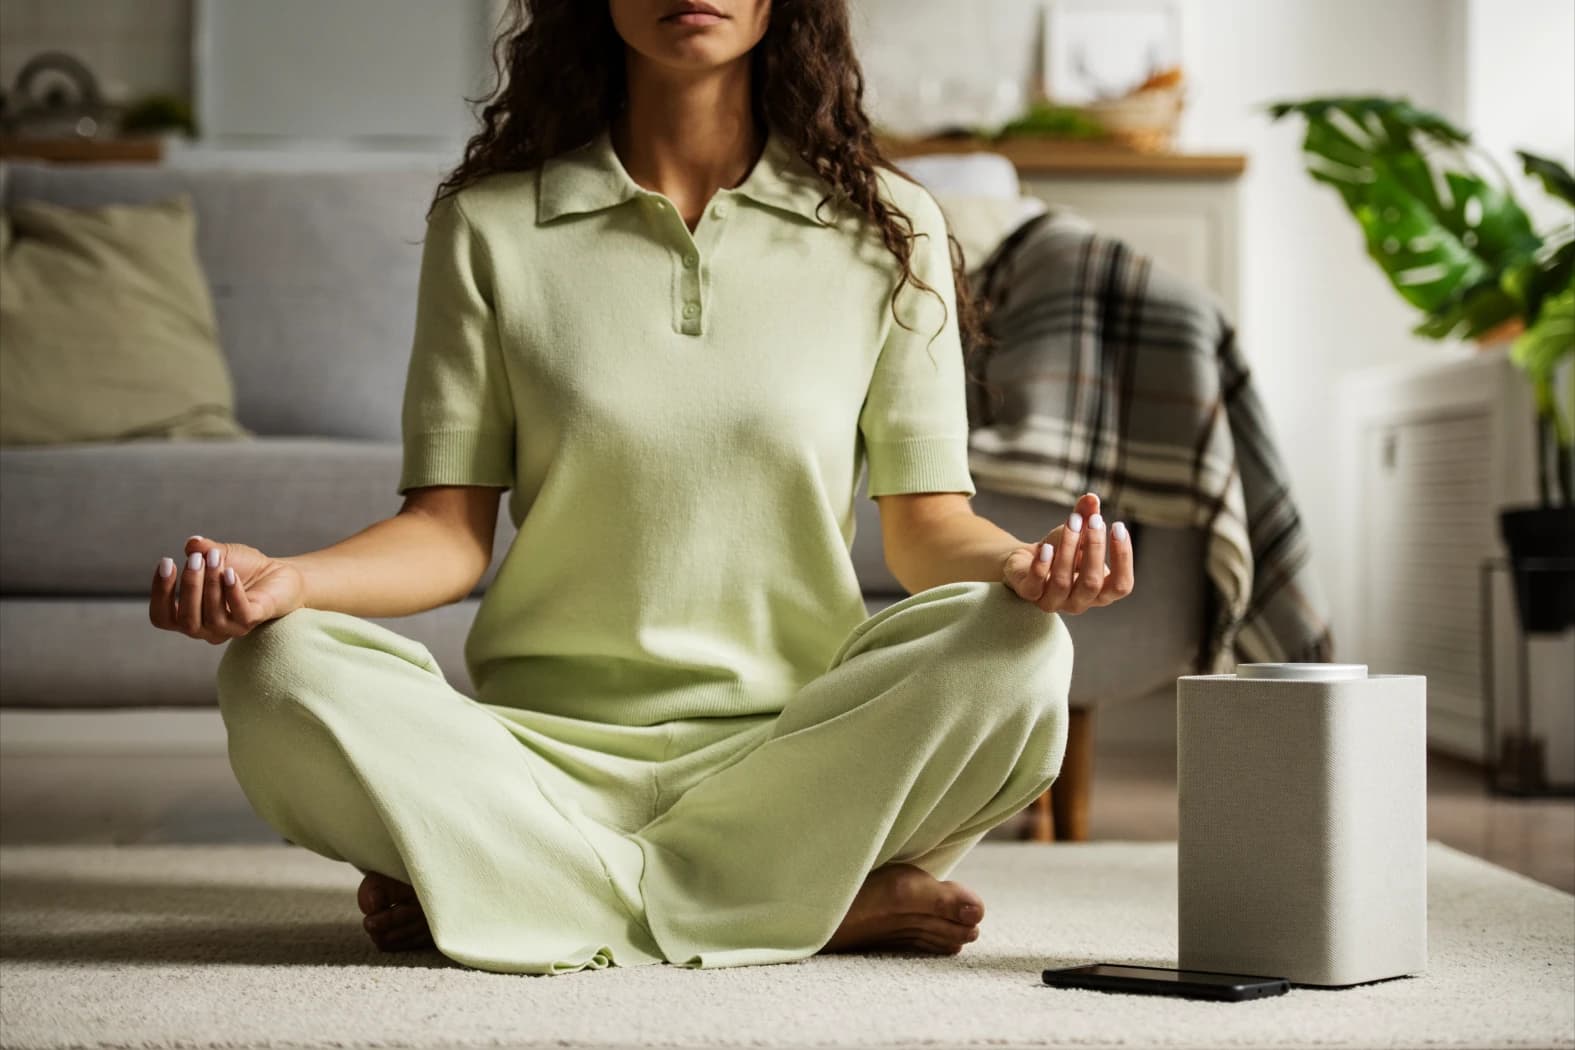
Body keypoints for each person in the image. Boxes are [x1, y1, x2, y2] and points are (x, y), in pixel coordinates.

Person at [147, 0, 1136, 976]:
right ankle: (788, 896)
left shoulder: (887, 226)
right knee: (276, 669)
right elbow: (445, 534)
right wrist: (287, 582)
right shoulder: (490, 224)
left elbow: (928, 531)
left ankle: (511, 881)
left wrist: (1025, 567)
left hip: (796, 757)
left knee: (1019, 647)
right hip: (537, 758)